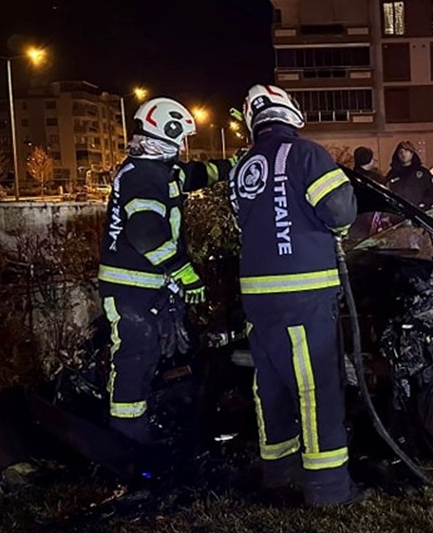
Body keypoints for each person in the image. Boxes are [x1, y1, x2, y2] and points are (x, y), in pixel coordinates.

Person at [230, 84, 368, 508]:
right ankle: (329, 490)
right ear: (290, 113)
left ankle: (278, 471)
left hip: (258, 296)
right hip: (304, 294)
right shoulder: (305, 154)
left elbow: (246, 225)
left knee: (270, 385)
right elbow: (341, 210)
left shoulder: (243, 166)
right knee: (317, 389)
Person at [98, 97, 236, 469]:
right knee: (135, 357)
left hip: (147, 287)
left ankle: (146, 429)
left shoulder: (160, 170)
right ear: (166, 132)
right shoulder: (144, 175)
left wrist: (235, 165)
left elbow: (196, 174)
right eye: (181, 138)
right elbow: (144, 232)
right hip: (131, 289)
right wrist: (184, 272)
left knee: (153, 357)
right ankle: (126, 445)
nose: (184, 147)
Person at [386, 140, 433, 209]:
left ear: (412, 153)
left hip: (420, 212)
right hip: (399, 214)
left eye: (406, 151)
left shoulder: (423, 173)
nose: (403, 154)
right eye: (401, 152)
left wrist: (424, 204)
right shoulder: (392, 174)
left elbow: (432, 192)